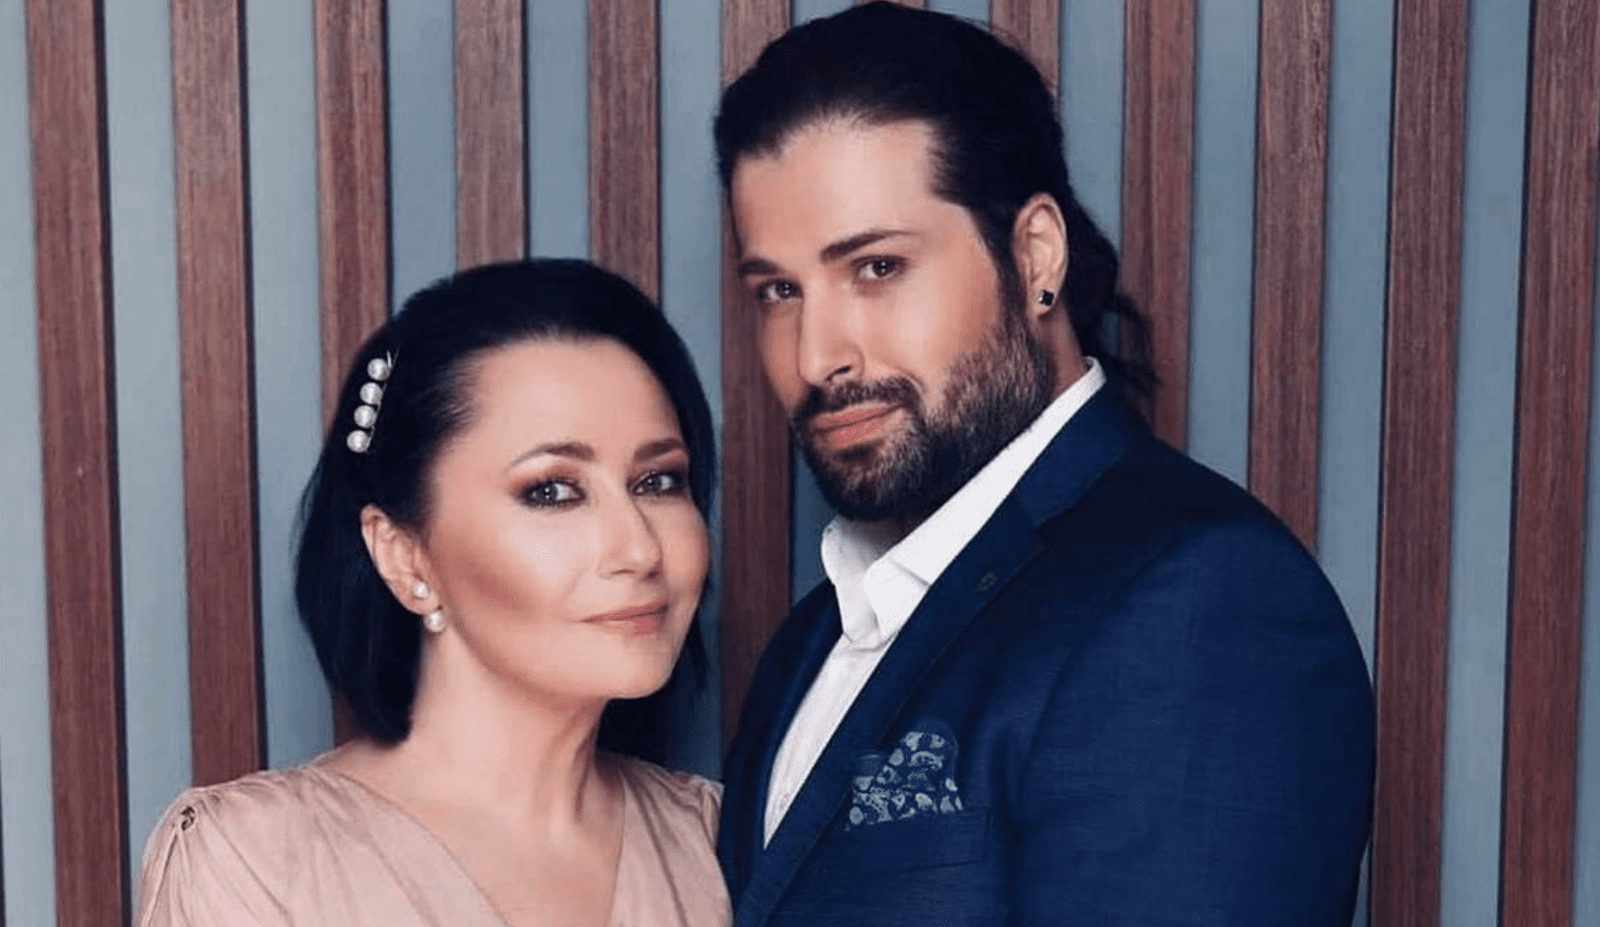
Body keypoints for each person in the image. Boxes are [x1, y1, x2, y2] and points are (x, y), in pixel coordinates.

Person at [712, 4, 1375, 926]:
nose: (819, 354)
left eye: (876, 268)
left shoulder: (1203, 604)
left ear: (1034, 256)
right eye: (778, 290)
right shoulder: (811, 640)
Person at [136, 259, 731, 927]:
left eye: (658, 482)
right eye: (552, 491)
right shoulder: (254, 862)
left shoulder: (722, 844)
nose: (640, 549)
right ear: (404, 554)